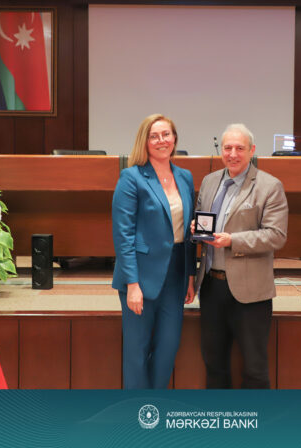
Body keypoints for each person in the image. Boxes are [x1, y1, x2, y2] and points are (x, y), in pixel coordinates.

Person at [193, 123, 288, 388]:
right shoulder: (210, 181)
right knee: (214, 365)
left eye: (239, 148)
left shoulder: (269, 186)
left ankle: (253, 416)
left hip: (250, 292)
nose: (232, 154)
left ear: (252, 150)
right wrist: (196, 228)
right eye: (227, 148)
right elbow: (204, 222)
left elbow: (276, 235)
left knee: (255, 369)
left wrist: (233, 240)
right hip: (211, 287)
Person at [112, 113, 196, 389]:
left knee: (168, 348)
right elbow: (123, 235)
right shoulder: (131, 177)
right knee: (136, 353)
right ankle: (137, 410)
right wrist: (132, 283)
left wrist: (191, 276)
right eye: (154, 136)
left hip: (176, 274)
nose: (161, 141)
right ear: (145, 142)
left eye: (166, 134)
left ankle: (154, 404)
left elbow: (189, 232)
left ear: (174, 139)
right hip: (141, 276)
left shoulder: (185, 177)